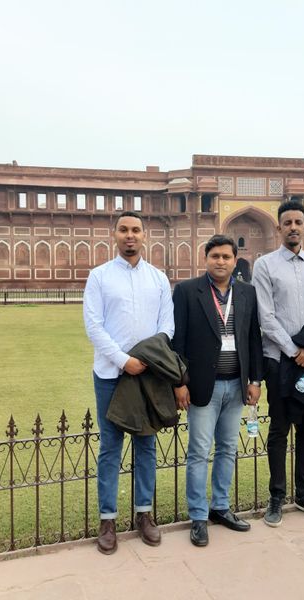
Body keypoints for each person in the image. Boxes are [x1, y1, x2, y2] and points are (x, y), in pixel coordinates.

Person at [83, 211, 174, 555]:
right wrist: (124, 360)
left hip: (148, 374)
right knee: (110, 446)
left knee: (146, 445)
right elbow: (94, 326)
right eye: (124, 230)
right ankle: (108, 520)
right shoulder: (100, 277)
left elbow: (167, 326)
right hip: (111, 373)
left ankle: (144, 515)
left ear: (144, 235)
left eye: (136, 230)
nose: (130, 236)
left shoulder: (158, 278)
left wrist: (146, 360)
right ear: (115, 235)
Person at [172, 235, 262, 547]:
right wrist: (179, 382)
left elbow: (253, 339)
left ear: (235, 260)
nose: (220, 261)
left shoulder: (247, 292)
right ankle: (198, 515)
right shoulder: (187, 291)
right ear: (206, 259)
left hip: (236, 384)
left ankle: (220, 507)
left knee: (227, 449)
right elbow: (178, 341)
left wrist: (255, 381)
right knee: (198, 452)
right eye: (215, 256)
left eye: (226, 256)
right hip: (201, 387)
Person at [252, 200, 304, 527]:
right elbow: (266, 317)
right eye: (287, 223)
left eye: (298, 222)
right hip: (279, 359)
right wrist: (295, 351)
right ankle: (276, 496)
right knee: (279, 428)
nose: (293, 227)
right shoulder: (266, 265)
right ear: (278, 228)